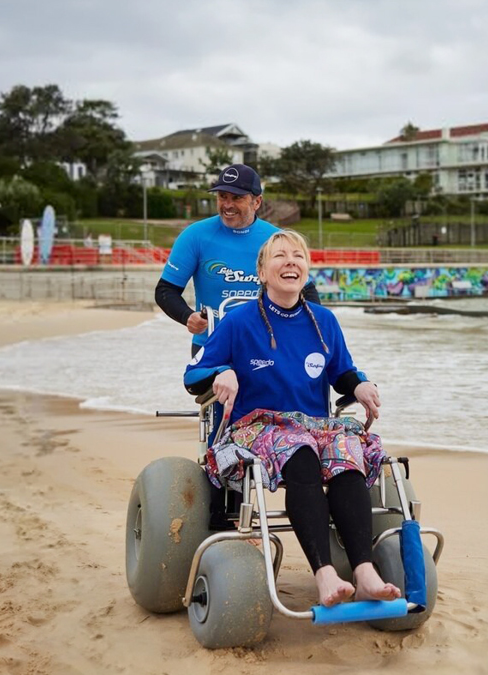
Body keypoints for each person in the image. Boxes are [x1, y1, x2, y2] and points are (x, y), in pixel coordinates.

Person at [182, 230, 399, 608]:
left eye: (298, 256)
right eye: (280, 256)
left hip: (316, 426)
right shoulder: (238, 321)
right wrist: (221, 372)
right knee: (301, 456)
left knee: (349, 460)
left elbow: (342, 370)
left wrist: (360, 385)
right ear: (262, 273)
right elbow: (192, 376)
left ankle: (364, 571)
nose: (290, 262)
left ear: (307, 271)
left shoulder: (323, 321)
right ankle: (325, 575)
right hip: (257, 426)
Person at [155, 163, 319, 357]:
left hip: (268, 348)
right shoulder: (195, 236)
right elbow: (166, 290)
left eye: (237, 198)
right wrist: (187, 315)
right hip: (212, 346)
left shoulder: (276, 239)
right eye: (222, 196)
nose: (227, 205)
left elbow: (307, 292)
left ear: (257, 202)